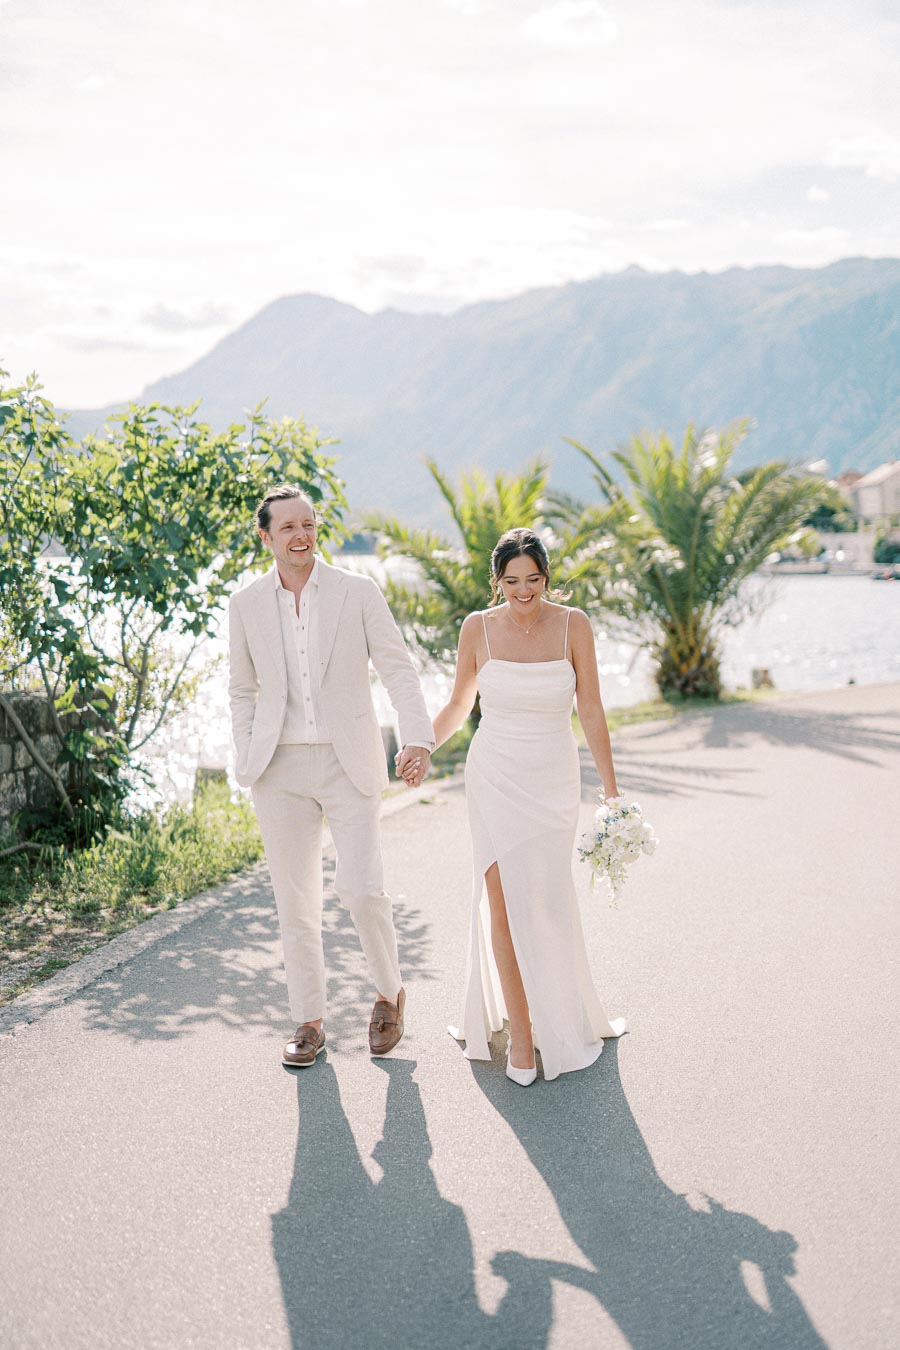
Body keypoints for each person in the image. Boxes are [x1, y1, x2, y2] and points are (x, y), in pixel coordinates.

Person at [228, 484, 434, 1068]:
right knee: (295, 903)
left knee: (362, 889)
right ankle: (309, 1021)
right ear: (266, 536)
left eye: (309, 525)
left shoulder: (357, 592)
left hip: (349, 761)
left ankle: (389, 991)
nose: (301, 535)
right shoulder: (244, 605)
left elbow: (397, 666)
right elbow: (242, 689)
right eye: (287, 527)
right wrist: (247, 753)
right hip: (279, 768)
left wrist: (416, 735)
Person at [433, 527, 626, 1085]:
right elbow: (457, 705)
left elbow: (590, 708)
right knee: (501, 903)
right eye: (512, 581)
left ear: (547, 578)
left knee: (542, 901)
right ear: (497, 582)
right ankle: (521, 1034)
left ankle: (555, 1014)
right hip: (493, 774)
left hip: (552, 780)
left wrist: (610, 790)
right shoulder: (477, 629)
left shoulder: (573, 625)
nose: (523, 591)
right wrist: (421, 745)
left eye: (534, 580)